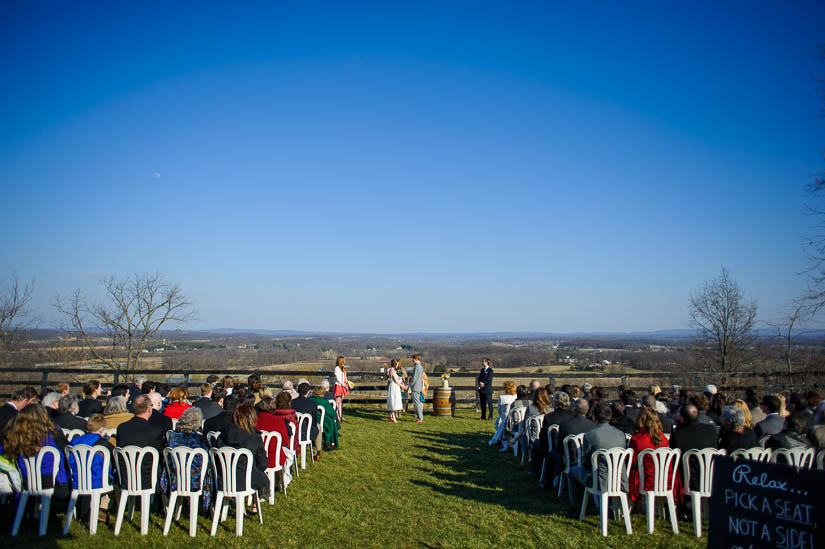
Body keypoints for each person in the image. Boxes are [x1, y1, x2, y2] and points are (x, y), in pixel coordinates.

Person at [1, 404, 71, 498]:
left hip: (25, 484)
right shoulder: (54, 434)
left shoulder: (17, 437)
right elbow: (68, 454)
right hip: (55, 486)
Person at [568, 403, 627, 509]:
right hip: (620, 479)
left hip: (599, 481)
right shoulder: (621, 434)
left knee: (573, 471)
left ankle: (575, 507)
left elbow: (586, 462)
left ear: (594, 417)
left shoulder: (590, 435)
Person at [160, 407, 213, 512]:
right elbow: (204, 460)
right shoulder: (198, 440)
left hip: (175, 476)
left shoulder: (172, 437)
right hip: (195, 480)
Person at [216, 403, 269, 503]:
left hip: (224, 479)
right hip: (246, 480)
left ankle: (242, 505)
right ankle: (254, 503)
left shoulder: (222, 434)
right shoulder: (254, 437)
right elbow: (263, 464)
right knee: (262, 477)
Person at [628, 408, 679, 507]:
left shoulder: (637, 439)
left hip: (646, 481)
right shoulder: (663, 438)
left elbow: (632, 463)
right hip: (665, 479)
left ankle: (630, 504)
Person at [115, 395, 164, 489]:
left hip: (126, 477)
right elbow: (160, 456)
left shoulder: (122, 428)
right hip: (148, 479)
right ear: (149, 409)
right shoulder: (155, 431)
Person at [669, 404, 718, 492]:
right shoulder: (711, 430)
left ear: (682, 418)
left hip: (688, 480)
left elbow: (674, 459)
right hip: (712, 477)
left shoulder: (678, 434)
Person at [256, 396, 292, 467]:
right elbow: (285, 441)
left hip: (257, 458)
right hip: (275, 458)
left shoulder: (254, 420)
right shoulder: (278, 421)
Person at [292, 383, 322, 460]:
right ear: (308, 392)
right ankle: (318, 451)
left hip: (294, 431)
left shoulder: (292, 402)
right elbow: (314, 421)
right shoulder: (312, 404)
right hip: (307, 432)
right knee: (318, 426)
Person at [386, 359, 407, 423]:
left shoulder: (390, 370)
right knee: (394, 401)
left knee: (392, 401)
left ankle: (391, 416)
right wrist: (403, 386)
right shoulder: (393, 370)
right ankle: (393, 418)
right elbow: (396, 381)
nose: (398, 364)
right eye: (397, 363)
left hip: (393, 386)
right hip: (394, 387)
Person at [333, 356, 350, 422]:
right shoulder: (336, 368)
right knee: (337, 401)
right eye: (344, 360)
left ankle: (340, 415)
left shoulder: (343, 368)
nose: (345, 361)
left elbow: (345, 377)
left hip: (343, 385)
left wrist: (347, 383)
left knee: (340, 402)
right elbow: (338, 378)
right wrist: (344, 384)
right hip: (339, 386)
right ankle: (337, 415)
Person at [409, 354, 425, 424]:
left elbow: (414, 378)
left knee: (417, 403)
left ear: (416, 359)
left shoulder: (417, 367)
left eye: (413, 359)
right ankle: (420, 418)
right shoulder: (420, 367)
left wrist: (409, 385)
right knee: (417, 403)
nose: (412, 361)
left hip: (415, 387)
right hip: (418, 386)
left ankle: (420, 418)